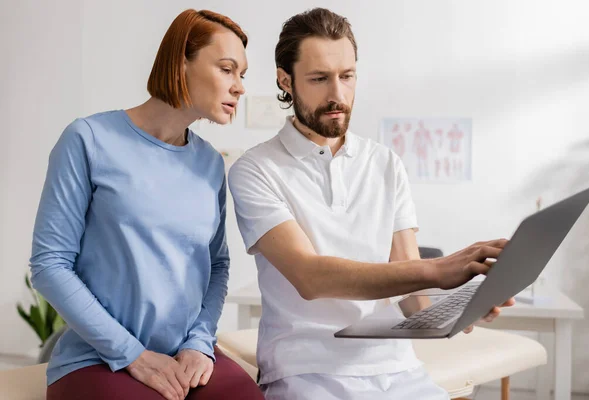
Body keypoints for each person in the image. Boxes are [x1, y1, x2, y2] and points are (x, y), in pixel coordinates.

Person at [228, 8, 513, 400]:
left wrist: (459, 311)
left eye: (347, 76)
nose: (338, 95)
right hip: (306, 372)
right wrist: (439, 268)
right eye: (319, 79)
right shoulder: (255, 169)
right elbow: (311, 278)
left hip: (396, 367)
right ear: (285, 80)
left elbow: (412, 293)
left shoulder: (385, 163)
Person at [29, 9, 263, 400]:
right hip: (96, 357)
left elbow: (217, 263)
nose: (239, 86)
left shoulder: (209, 162)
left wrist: (199, 342)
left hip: (185, 354)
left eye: (242, 75)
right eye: (227, 69)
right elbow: (49, 264)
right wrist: (132, 354)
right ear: (180, 62)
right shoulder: (87, 139)